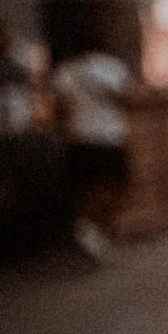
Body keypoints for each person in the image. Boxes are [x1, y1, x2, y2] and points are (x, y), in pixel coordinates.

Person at [51, 45, 134, 261]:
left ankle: (88, 230)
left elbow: (59, 108)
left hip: (81, 136)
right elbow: (127, 99)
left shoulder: (65, 71)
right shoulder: (113, 68)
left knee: (89, 187)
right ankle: (93, 230)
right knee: (115, 186)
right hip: (110, 136)